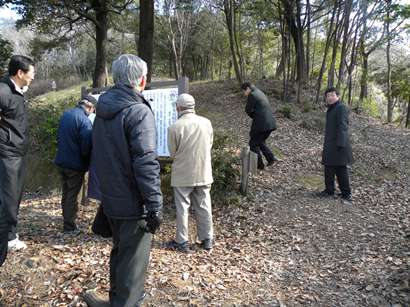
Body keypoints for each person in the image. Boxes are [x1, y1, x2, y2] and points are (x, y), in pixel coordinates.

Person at [83, 54, 162, 307]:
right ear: (141, 79)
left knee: (120, 253)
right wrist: (155, 204)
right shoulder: (137, 111)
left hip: (111, 199)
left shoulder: (103, 108)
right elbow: (145, 161)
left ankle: (116, 299)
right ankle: (123, 302)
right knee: (133, 263)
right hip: (131, 202)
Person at [166, 93, 214, 253]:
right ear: (193, 106)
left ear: (178, 107)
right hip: (203, 171)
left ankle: (182, 241)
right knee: (204, 205)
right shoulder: (206, 123)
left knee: (182, 208)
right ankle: (207, 239)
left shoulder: (174, 127)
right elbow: (210, 145)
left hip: (182, 173)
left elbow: (172, 153)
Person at [0, 55, 35, 263]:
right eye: (31, 73)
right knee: (8, 197)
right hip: (7, 153)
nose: (33, 76)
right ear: (20, 73)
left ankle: (9, 234)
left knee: (14, 195)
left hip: (17, 153)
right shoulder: (3, 90)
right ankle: (7, 237)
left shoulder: (17, 91)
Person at [54, 95, 96, 232]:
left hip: (61, 161)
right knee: (72, 195)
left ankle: (66, 220)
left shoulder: (66, 114)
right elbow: (86, 147)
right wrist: (88, 161)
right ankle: (69, 226)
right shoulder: (84, 121)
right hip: (75, 165)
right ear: (90, 108)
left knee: (66, 193)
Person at [318, 87, 353, 202]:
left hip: (339, 145)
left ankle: (346, 194)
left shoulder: (341, 107)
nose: (330, 98)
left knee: (341, 169)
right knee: (328, 167)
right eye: (328, 96)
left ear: (338, 96)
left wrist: (341, 144)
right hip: (331, 143)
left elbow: (343, 126)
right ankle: (329, 190)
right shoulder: (332, 108)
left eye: (332, 95)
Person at [241, 81, 278, 170]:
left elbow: (248, 110)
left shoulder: (252, 95)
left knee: (253, 144)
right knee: (259, 142)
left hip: (262, 124)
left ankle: (260, 166)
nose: (244, 94)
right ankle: (271, 159)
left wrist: (255, 116)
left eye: (244, 91)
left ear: (248, 89)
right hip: (270, 123)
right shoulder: (259, 92)